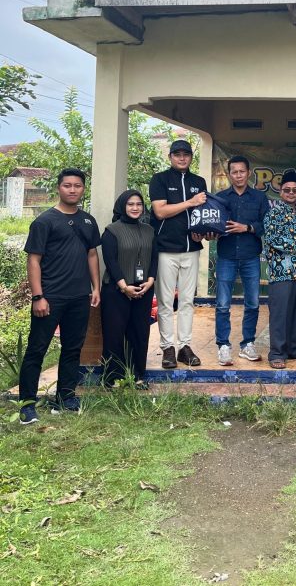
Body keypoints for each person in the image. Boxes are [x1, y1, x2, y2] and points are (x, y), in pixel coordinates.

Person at [18, 168, 101, 424]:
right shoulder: (44, 221)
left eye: (77, 185)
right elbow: (34, 260)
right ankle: (27, 405)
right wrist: (37, 296)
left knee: (72, 349)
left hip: (79, 297)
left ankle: (65, 397)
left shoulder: (88, 221)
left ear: (83, 189)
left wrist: (95, 287)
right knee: (36, 350)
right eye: (68, 185)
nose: (73, 190)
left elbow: (91, 255)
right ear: (59, 188)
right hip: (51, 297)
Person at [149, 139, 208, 369]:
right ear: (170, 157)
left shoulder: (198, 181)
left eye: (186, 154)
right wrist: (190, 202)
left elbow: (203, 215)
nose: (182, 158)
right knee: (165, 302)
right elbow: (160, 211)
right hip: (165, 249)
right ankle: (167, 348)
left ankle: (184, 346)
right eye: (177, 154)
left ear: (191, 157)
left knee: (187, 301)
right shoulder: (160, 179)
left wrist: (202, 232)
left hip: (191, 250)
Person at [215, 155, 269, 365]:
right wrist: (211, 232)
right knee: (222, 304)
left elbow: (266, 225)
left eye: (242, 171)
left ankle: (247, 344)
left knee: (253, 303)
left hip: (250, 256)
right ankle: (223, 346)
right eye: (234, 172)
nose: (238, 175)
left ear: (249, 173)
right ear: (229, 174)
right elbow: (212, 223)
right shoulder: (220, 198)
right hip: (226, 256)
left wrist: (246, 228)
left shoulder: (259, 198)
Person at [100, 190, 158, 386]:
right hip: (117, 290)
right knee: (114, 335)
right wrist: (124, 286)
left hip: (143, 288)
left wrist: (151, 280)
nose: (135, 208)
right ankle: (113, 379)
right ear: (122, 206)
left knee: (140, 333)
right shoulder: (112, 230)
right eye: (131, 204)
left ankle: (137, 375)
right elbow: (110, 261)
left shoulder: (150, 230)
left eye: (139, 204)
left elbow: (154, 258)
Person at [262, 169, 296, 369]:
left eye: (295, 190)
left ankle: (295, 348)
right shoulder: (273, 214)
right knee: (280, 313)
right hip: (281, 271)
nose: (291, 193)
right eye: (287, 190)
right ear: (280, 192)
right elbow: (272, 239)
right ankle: (277, 352)